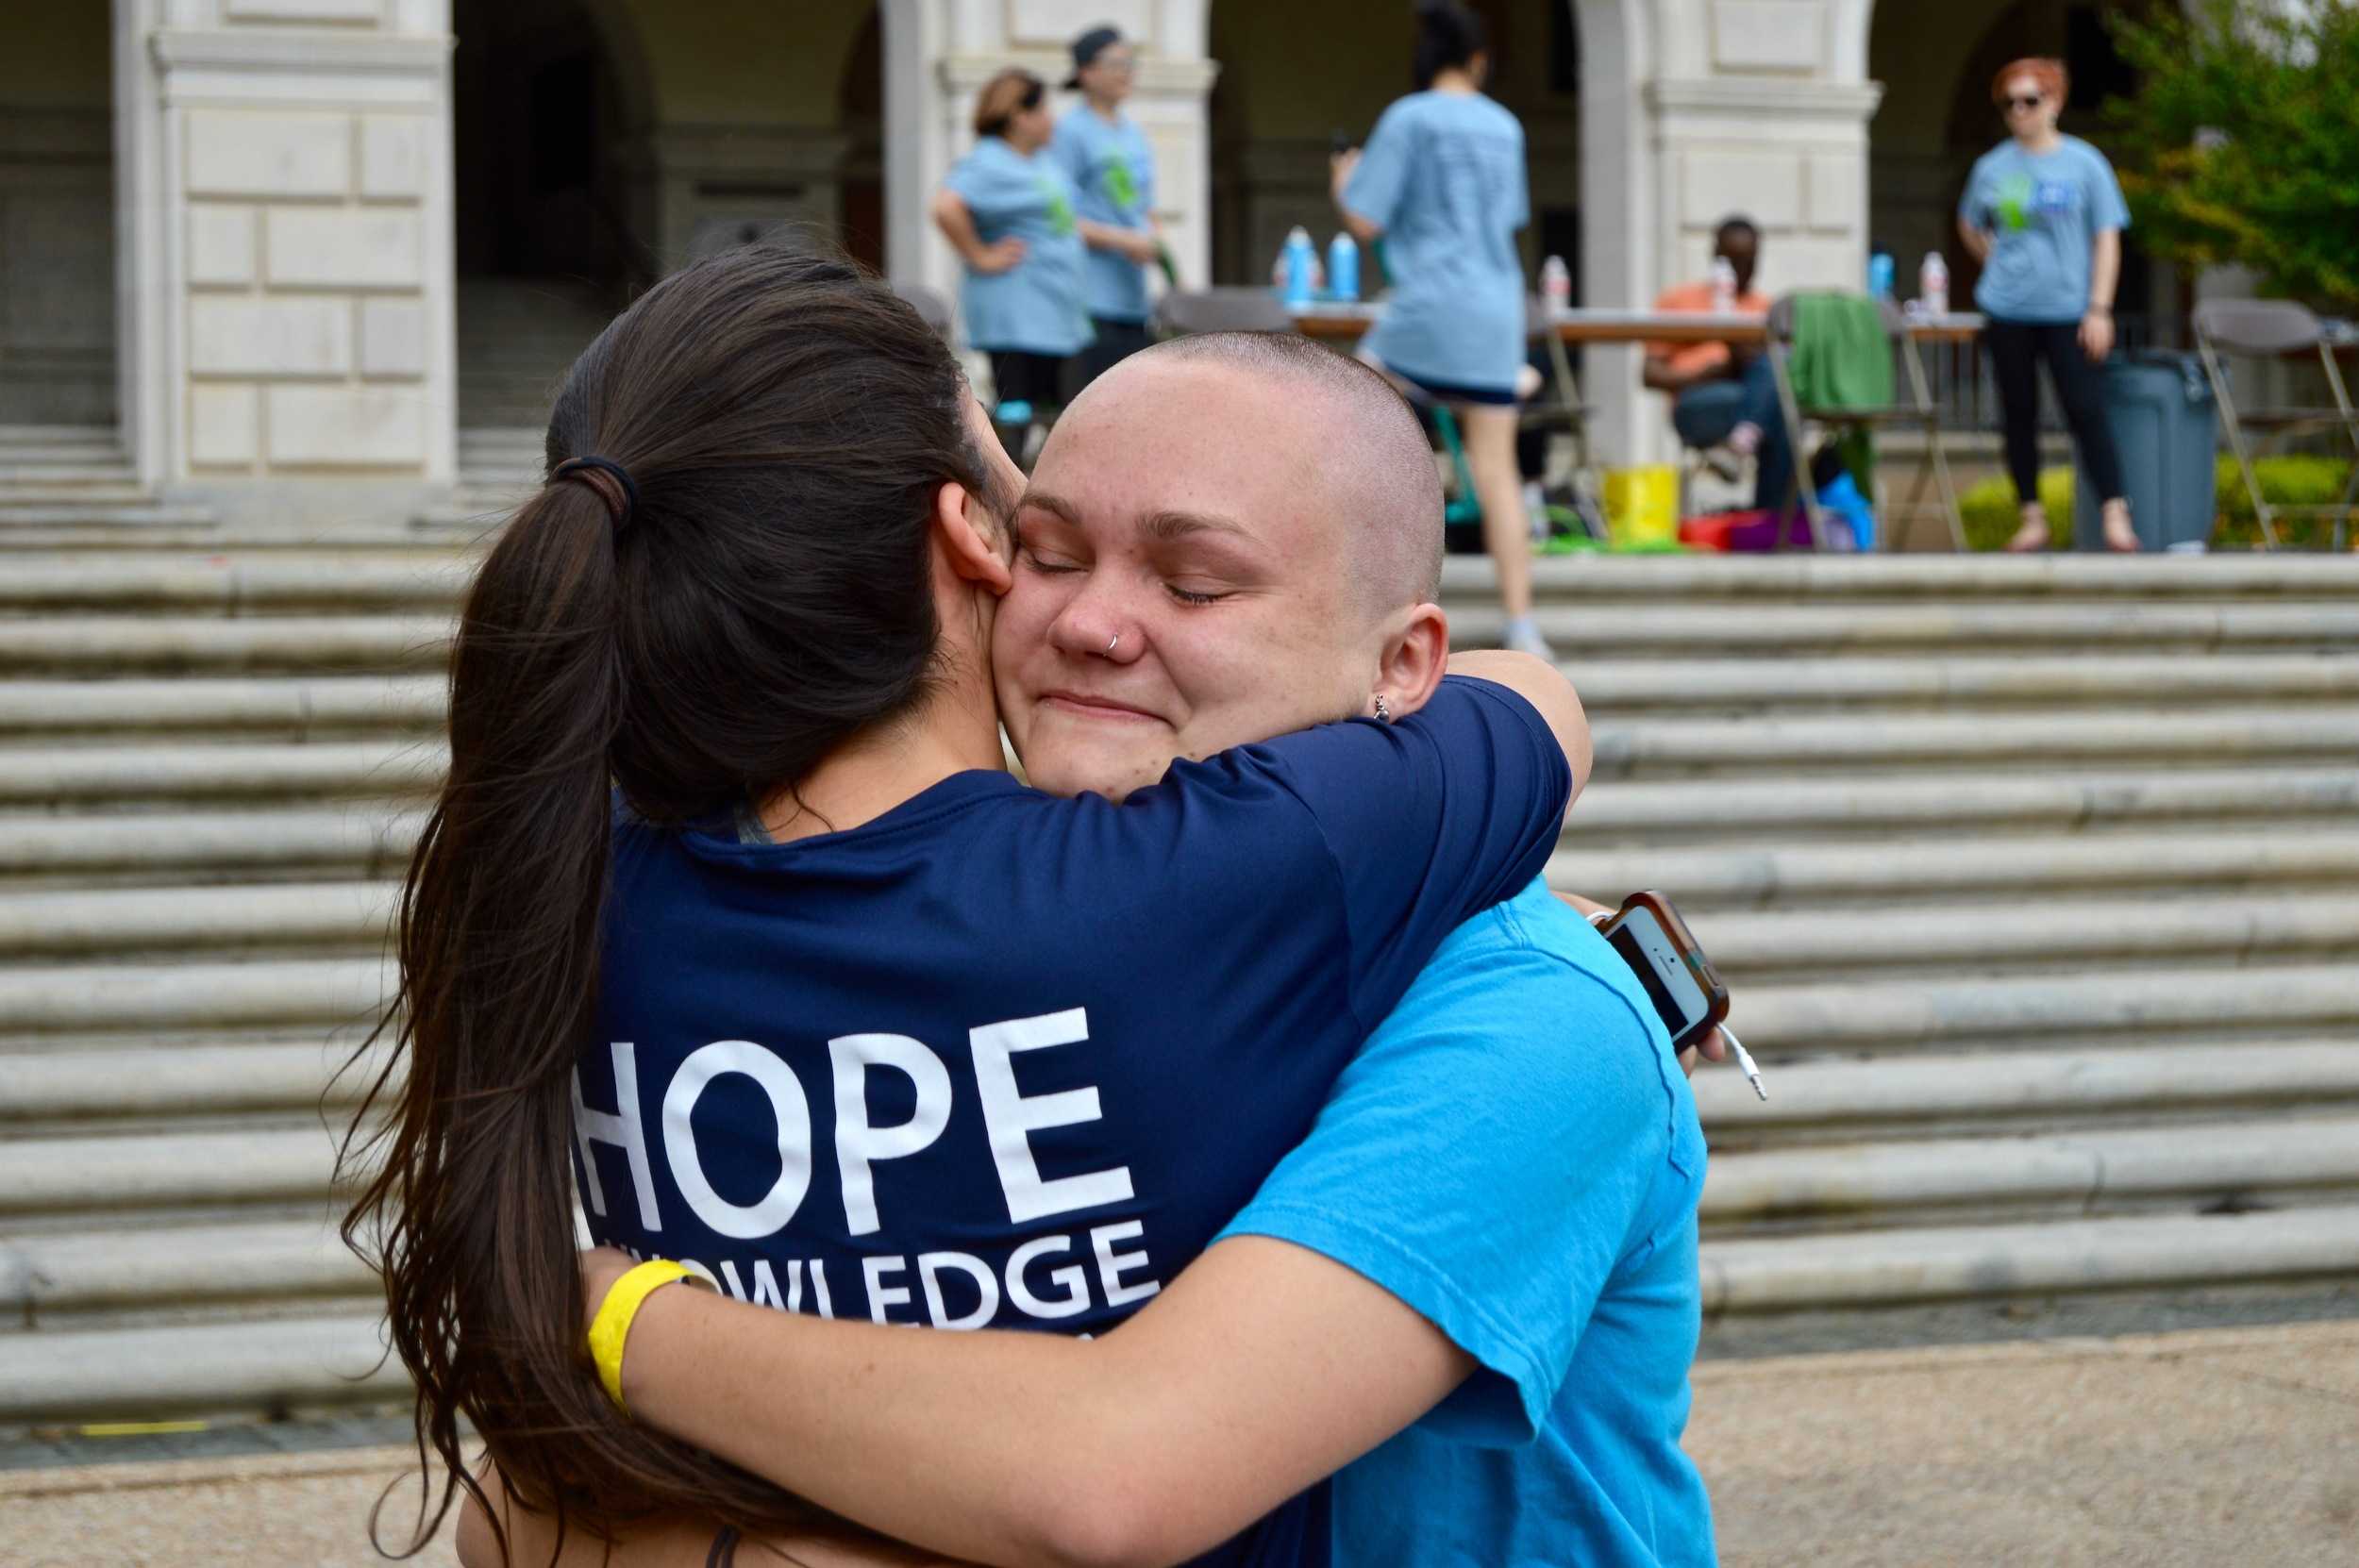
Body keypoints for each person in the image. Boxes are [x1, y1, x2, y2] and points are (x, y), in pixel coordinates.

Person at [345, 245, 1596, 1566]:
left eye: (1188, 583)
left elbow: (515, 1519)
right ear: (965, 530)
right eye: (1039, 523)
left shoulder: (566, 878)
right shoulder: (1221, 877)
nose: (1091, 608)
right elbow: (1533, 708)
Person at [1332, 2, 1552, 661]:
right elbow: (1505, 216)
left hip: (1427, 307)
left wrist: (1345, 178)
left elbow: (1365, 222)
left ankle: (1351, 604)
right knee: (1498, 472)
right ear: (1479, 60)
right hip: (1494, 309)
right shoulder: (1504, 125)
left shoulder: (1410, 117)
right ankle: (1523, 625)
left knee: (1346, 426)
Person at [1958, 57, 2137, 554]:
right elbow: (1970, 224)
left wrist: (2098, 308)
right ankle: (2031, 517)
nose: (2019, 111)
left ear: (2054, 102)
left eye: (2030, 100)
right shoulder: (1991, 167)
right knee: (2018, 413)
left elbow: (2107, 238)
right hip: (2008, 308)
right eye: (2009, 102)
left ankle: (2115, 513)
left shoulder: (2085, 163)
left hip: (2068, 309)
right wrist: (1997, 262)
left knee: (2086, 409)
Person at [933, 69, 1093, 451]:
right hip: (1015, 313)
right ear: (1019, 116)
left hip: (1052, 309)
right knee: (1017, 408)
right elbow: (946, 207)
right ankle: (1005, 495)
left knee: (1053, 407)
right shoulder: (989, 161)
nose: (1051, 120)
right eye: (1043, 110)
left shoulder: (1038, 161)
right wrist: (979, 255)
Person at [1644, 217, 1792, 513]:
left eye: (1748, 261)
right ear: (1715, 256)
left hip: (1748, 397)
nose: (1740, 271)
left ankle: (1741, 446)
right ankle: (1771, 521)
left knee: (1780, 388)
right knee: (1782, 411)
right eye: (1732, 261)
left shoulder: (1765, 307)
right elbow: (1649, 374)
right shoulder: (1679, 300)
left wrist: (1742, 358)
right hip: (1696, 403)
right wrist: (1703, 374)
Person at [1051, 25, 1163, 396]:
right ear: (1086, 72)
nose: (1126, 71)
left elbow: (1143, 206)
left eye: (1130, 62)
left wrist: (1152, 234)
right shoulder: (1069, 132)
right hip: (1090, 300)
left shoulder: (1133, 133)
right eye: (1115, 63)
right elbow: (1058, 217)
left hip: (1133, 300)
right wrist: (1122, 240)